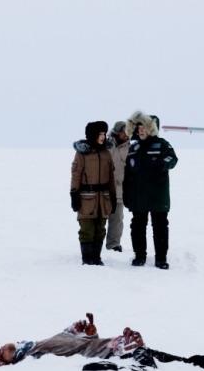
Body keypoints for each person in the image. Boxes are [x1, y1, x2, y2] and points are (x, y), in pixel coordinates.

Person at [0, 312, 204, 371]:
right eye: (6, 353)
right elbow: (67, 354)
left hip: (104, 344)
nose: (7, 348)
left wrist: (83, 331)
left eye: (5, 347)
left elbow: (70, 342)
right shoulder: (34, 356)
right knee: (148, 357)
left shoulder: (38, 342)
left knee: (183, 362)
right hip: (107, 352)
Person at [123, 111, 178, 269]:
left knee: (160, 227)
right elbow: (128, 173)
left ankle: (161, 259)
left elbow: (172, 158)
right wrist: (126, 193)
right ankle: (139, 256)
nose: (141, 130)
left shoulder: (162, 144)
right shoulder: (134, 147)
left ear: (151, 129)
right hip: (138, 197)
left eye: (144, 127)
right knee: (137, 227)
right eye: (139, 128)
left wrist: (163, 164)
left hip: (157, 196)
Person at [70, 121, 117, 266]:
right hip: (86, 198)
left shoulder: (106, 153)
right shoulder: (82, 153)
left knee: (100, 229)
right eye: (100, 134)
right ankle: (87, 258)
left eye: (104, 134)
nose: (103, 137)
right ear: (92, 135)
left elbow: (111, 176)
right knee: (87, 229)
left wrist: (113, 195)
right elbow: (76, 174)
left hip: (104, 198)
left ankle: (96, 257)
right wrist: (74, 194)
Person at [105, 121, 130, 252]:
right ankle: (95, 244)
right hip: (104, 187)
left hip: (120, 189)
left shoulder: (130, 147)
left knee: (117, 219)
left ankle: (113, 244)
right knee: (99, 219)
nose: (126, 134)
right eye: (124, 132)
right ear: (117, 131)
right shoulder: (106, 144)